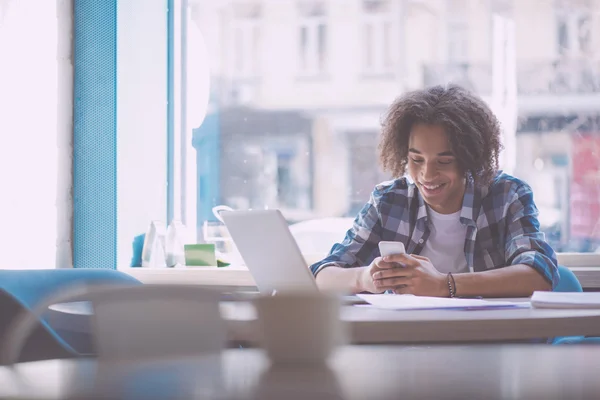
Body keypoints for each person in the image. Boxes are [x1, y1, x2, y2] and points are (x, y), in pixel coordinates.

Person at [310, 85, 559, 298]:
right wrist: (364, 278)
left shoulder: (507, 196)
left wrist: (444, 284)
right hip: (411, 344)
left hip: (488, 344)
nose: (427, 175)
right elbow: (322, 275)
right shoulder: (389, 201)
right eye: (416, 160)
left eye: (444, 161)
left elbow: (539, 276)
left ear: (470, 158)